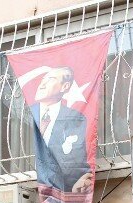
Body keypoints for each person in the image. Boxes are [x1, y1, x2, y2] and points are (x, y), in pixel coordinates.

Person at [30, 67, 93, 195]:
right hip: (33, 182)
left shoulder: (76, 118)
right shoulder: (27, 114)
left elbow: (77, 156)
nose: (42, 84)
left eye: (50, 79)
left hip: (63, 189)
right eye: (43, 79)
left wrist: (78, 182)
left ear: (65, 86)